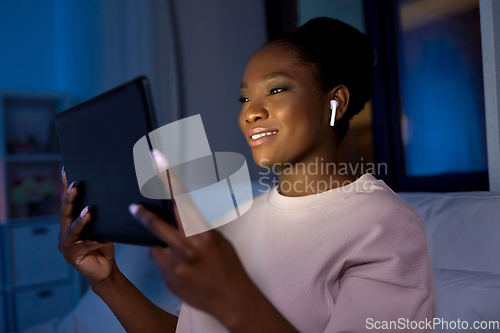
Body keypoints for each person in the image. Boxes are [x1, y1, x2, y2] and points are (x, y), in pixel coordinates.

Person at [58, 17, 434, 332]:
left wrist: (232, 297)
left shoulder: (384, 227)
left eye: (276, 89)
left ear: (335, 102)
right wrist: (107, 280)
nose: (251, 112)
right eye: (245, 98)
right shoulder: (235, 217)